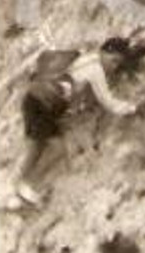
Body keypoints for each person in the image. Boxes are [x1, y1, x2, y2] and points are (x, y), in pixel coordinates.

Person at [17, 38, 137, 205]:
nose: (114, 66)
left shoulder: (84, 55)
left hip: (33, 97)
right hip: (44, 105)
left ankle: (21, 183)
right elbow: (108, 102)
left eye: (118, 64)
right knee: (57, 150)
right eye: (114, 60)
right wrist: (134, 108)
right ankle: (28, 186)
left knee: (37, 145)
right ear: (105, 52)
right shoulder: (96, 70)